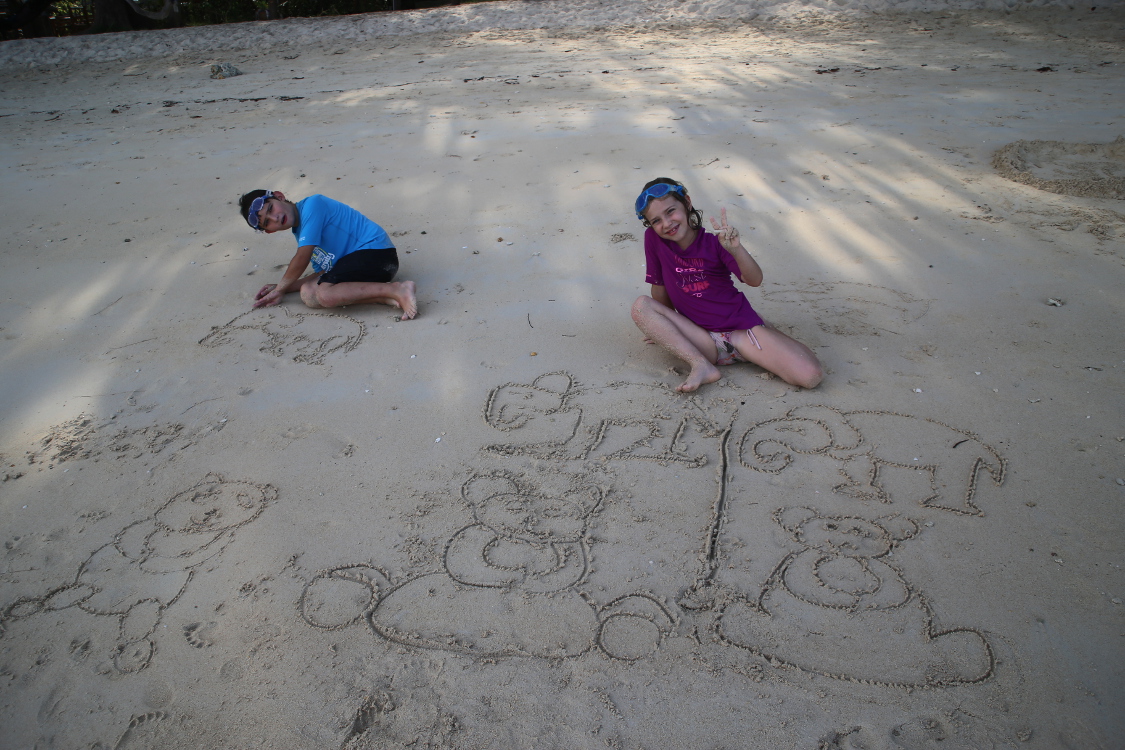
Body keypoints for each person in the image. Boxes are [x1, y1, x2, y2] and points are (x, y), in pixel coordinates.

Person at [630, 178, 823, 393]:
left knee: (810, 376)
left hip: (740, 333)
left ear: (687, 202)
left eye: (670, 211)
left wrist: (736, 249)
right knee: (641, 307)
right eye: (656, 220)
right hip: (703, 341)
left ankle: (767, 329)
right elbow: (659, 286)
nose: (666, 223)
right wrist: (663, 325)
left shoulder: (715, 243)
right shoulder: (653, 240)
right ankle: (700, 366)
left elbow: (754, 280)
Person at [238, 190, 417, 319]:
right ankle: (385, 297)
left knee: (325, 294)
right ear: (270, 231)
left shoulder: (312, 205)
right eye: (268, 222)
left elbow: (302, 258)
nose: (275, 218)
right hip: (357, 265)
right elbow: (323, 272)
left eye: (271, 209)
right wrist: (283, 287)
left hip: (378, 254)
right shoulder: (300, 234)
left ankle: (397, 289)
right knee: (308, 294)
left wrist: (280, 289)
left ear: (279, 196)